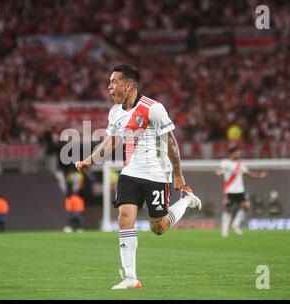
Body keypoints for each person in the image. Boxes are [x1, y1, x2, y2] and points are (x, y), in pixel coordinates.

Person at [75, 65, 201, 290]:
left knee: (159, 228)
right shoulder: (115, 112)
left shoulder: (153, 108)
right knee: (124, 217)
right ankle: (131, 277)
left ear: (129, 85)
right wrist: (89, 160)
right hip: (130, 173)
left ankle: (187, 200)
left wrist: (179, 174)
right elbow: (112, 141)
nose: (109, 87)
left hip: (156, 174)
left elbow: (170, 141)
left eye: (114, 82)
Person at [215, 146, 267, 237]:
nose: (238, 154)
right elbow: (221, 169)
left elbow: (249, 174)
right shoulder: (226, 163)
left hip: (240, 190)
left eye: (239, 153)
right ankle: (224, 231)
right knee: (228, 210)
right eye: (237, 153)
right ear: (232, 153)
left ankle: (235, 225)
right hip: (229, 191)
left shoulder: (241, 165)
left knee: (245, 207)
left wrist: (259, 176)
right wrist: (218, 171)